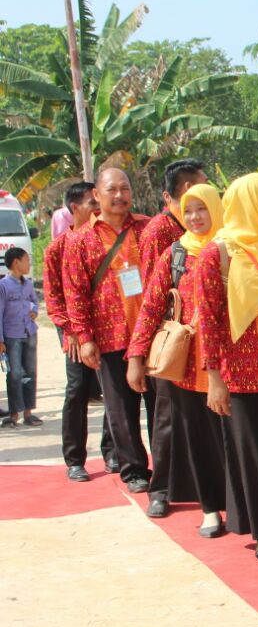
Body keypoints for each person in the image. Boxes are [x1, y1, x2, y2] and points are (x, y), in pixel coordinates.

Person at [195, 173, 258, 563]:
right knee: (253, 453)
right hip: (243, 372)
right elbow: (209, 321)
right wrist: (215, 379)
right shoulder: (218, 253)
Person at [125, 183, 227, 537]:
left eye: (203, 209)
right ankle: (210, 508)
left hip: (228, 365)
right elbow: (152, 305)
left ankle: (240, 507)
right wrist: (136, 356)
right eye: (190, 210)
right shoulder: (176, 253)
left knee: (228, 439)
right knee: (196, 440)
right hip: (186, 364)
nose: (196, 217)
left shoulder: (232, 249)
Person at [63, 168, 152, 494]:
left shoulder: (148, 228)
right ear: (97, 196)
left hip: (152, 335)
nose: (119, 195)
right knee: (120, 411)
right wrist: (84, 338)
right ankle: (135, 470)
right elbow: (75, 292)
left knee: (161, 409)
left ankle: (169, 469)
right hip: (110, 335)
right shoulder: (80, 239)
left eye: (124, 188)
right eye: (111, 189)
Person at [136, 159, 209, 515]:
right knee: (167, 418)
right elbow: (154, 298)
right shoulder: (160, 234)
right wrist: (139, 354)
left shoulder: (221, 239)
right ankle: (161, 488)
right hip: (177, 342)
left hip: (209, 350)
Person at [45, 183, 115, 479]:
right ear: (74, 209)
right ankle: (75, 459)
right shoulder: (57, 249)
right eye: (92, 204)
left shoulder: (108, 240)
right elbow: (54, 296)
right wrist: (71, 331)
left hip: (110, 331)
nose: (98, 209)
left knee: (114, 392)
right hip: (76, 335)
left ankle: (113, 453)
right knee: (76, 392)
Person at [0, 248, 41, 428]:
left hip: (29, 333)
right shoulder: (3, 286)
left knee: (30, 372)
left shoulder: (29, 284)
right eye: (26, 260)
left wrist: (34, 311)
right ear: (16, 263)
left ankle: (28, 412)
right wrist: (1, 340)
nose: (29, 264)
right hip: (12, 336)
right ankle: (14, 413)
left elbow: (35, 301)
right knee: (15, 374)